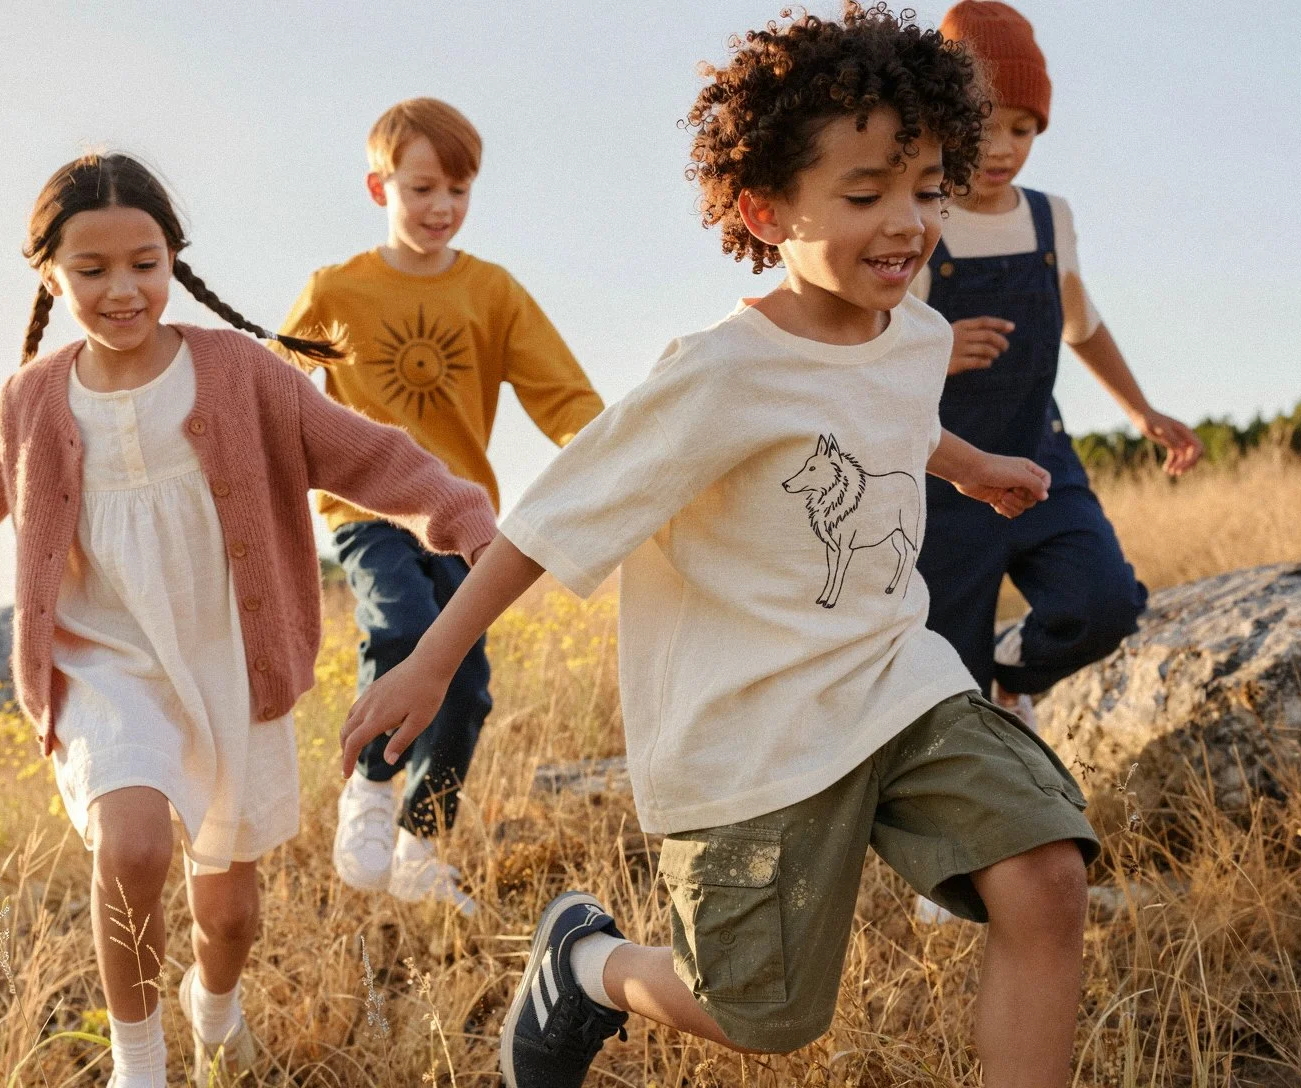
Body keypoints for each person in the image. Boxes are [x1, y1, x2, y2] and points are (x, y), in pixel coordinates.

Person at [339, 8, 1097, 1087]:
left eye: (929, 186)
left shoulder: (917, 332)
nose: (908, 222)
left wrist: (969, 465)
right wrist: (431, 657)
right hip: (755, 728)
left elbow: (889, 419)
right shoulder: (718, 375)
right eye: (867, 192)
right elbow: (553, 515)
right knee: (763, 1014)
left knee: (1047, 874)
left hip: (898, 681)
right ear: (764, 207)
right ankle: (586, 962)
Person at [0, 153, 497, 1088]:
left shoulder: (240, 373)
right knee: (130, 843)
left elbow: (369, 456)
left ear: (175, 257)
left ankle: (216, 1012)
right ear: (49, 273)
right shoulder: (31, 403)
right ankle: (141, 1064)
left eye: (145, 262)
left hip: (229, 660)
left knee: (230, 915)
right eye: (92, 271)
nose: (123, 289)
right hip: (103, 664)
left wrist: (467, 524)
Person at [278, 97, 604, 913]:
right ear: (377, 186)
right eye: (423, 188)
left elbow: (564, 398)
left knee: (466, 684)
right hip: (367, 515)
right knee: (402, 627)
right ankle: (372, 792)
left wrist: (625, 468)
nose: (441, 208)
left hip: (462, 518)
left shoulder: (492, 293)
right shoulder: (334, 290)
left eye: (458, 191)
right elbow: (272, 397)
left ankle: (421, 845)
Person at [916, 0, 1204, 730]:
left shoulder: (1051, 218)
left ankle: (1012, 686)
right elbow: (867, 350)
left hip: (1042, 460)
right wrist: (936, 351)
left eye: (1022, 128)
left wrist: (1140, 410)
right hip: (942, 482)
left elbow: (1083, 322)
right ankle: (980, 738)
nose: (1003, 146)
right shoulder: (918, 219)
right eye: (982, 123)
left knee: (1103, 602)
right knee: (944, 668)